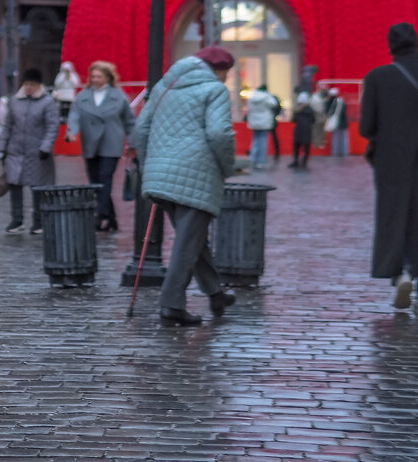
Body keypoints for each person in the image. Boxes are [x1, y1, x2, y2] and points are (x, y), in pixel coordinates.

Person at [130, 45, 237, 326]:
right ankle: (171, 304)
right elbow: (219, 133)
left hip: (160, 174)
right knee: (187, 243)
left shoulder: (164, 86)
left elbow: (141, 129)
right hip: (197, 172)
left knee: (193, 238)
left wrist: (148, 164)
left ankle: (215, 293)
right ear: (220, 70)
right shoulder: (215, 90)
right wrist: (228, 166)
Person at [360, 22, 418, 316]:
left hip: (391, 165)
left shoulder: (377, 77)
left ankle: (400, 275)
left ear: (391, 46)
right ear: (417, 43)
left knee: (394, 219)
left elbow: (366, 127)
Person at [65, 60, 135, 232]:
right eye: (93, 76)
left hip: (111, 143)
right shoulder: (83, 96)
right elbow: (74, 115)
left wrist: (133, 142)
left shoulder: (118, 96)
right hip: (90, 144)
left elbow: (129, 121)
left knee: (105, 177)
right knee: (95, 180)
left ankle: (101, 214)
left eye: (99, 76)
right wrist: (72, 132)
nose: (95, 79)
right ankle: (112, 218)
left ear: (108, 77)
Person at [0, 68, 58, 234]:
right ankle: (16, 220)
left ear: (39, 85)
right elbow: (8, 126)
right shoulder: (15, 101)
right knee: (14, 184)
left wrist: (45, 147)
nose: (29, 87)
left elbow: (52, 126)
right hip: (16, 151)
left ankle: (38, 222)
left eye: (33, 84)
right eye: (27, 84)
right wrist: (1, 148)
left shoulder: (47, 102)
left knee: (37, 187)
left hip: (37, 152)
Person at [245, 84, 277, 169]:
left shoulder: (252, 97)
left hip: (254, 121)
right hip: (264, 121)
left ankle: (253, 159)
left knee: (255, 140)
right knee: (263, 142)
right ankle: (261, 161)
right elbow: (274, 104)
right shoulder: (267, 97)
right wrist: (269, 94)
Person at [289, 92, 316, 169]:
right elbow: (313, 120)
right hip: (308, 130)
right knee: (307, 147)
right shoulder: (310, 110)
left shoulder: (297, 110)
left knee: (297, 146)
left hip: (299, 130)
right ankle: (304, 162)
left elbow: (293, 119)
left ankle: (296, 161)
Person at [327, 87, 350, 156]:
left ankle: (335, 152)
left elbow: (328, 111)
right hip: (343, 122)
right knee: (344, 139)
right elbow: (344, 111)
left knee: (335, 139)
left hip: (335, 122)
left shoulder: (330, 102)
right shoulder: (341, 101)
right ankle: (344, 152)